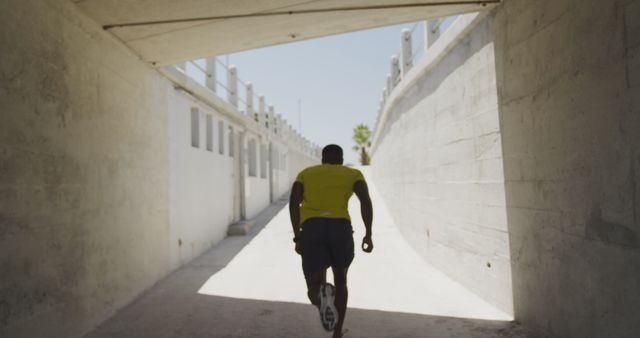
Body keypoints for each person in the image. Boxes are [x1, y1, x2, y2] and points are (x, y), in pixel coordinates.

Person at [289, 144, 374, 338]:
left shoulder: (306, 174)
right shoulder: (353, 174)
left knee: (313, 286)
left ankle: (321, 297)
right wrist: (368, 233)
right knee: (341, 281)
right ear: (342, 160)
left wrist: (297, 236)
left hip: (312, 229)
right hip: (340, 229)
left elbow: (294, 202)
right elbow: (365, 201)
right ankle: (336, 332)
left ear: (322, 159)